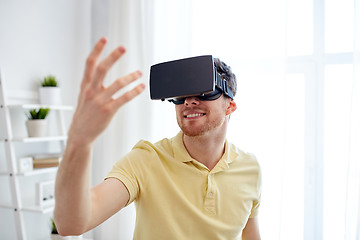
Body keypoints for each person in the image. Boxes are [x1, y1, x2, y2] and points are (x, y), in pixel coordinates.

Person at [54, 37, 262, 240]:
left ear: (230, 106)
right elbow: (71, 224)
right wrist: (79, 142)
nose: (189, 102)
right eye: (181, 95)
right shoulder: (146, 160)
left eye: (204, 92)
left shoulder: (250, 167)